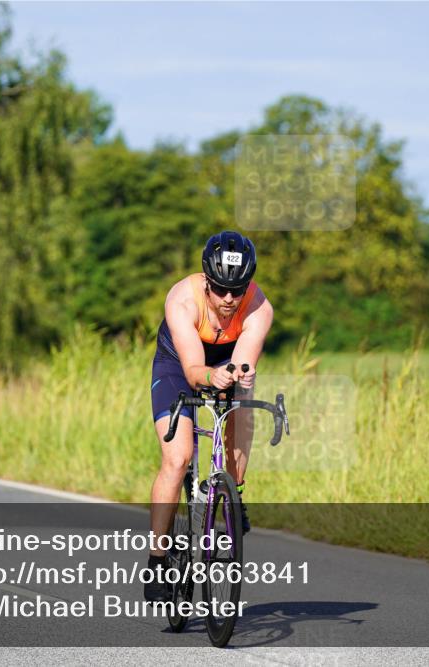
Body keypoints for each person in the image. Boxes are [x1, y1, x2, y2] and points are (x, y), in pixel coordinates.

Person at [144, 230, 274, 602]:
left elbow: (244, 358)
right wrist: (208, 376)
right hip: (177, 364)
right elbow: (191, 370)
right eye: (220, 289)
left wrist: (239, 373)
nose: (230, 299)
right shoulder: (182, 300)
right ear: (206, 283)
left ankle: (235, 494)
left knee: (242, 400)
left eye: (239, 289)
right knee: (178, 457)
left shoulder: (259, 307)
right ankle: (156, 559)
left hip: (225, 359)